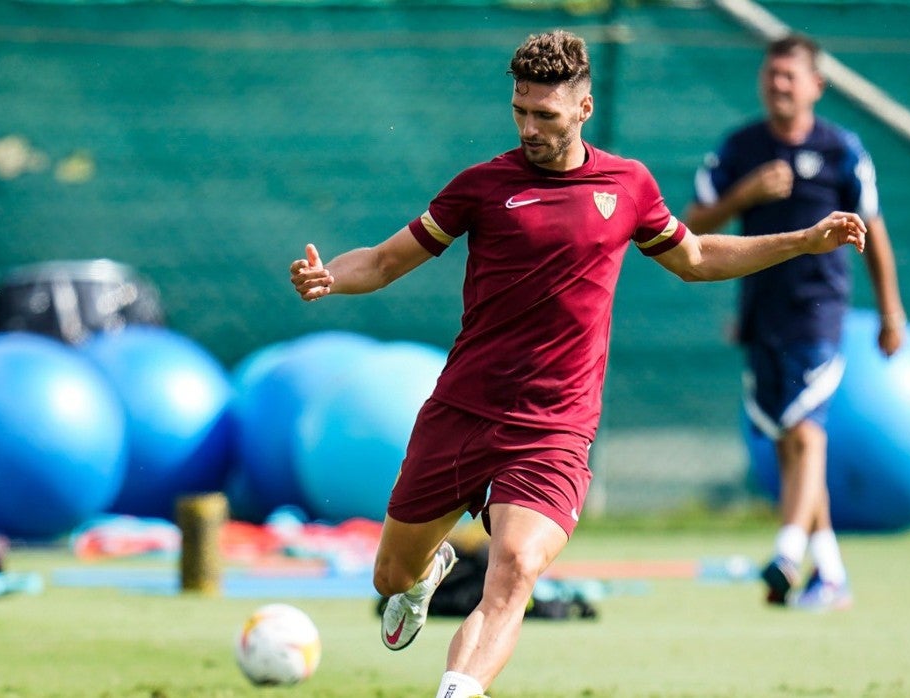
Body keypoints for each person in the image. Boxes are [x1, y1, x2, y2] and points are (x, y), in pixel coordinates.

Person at [289, 29, 866, 698]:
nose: (530, 128)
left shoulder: (627, 187)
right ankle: (425, 572)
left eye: (546, 115)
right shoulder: (482, 186)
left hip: (554, 428)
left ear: (584, 110)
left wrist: (802, 239)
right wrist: (331, 275)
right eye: (519, 111)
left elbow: (699, 258)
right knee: (390, 576)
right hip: (461, 413)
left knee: (513, 571)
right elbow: (388, 260)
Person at [683, 33, 907, 612]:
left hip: (820, 313)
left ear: (815, 85)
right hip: (761, 314)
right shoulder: (739, 148)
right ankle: (829, 572)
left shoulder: (842, 150)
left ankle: (786, 552)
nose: (777, 84)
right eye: (770, 74)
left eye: (789, 75)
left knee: (807, 431)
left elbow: (874, 229)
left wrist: (890, 310)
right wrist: (745, 193)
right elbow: (690, 226)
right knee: (788, 438)